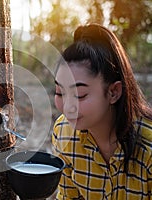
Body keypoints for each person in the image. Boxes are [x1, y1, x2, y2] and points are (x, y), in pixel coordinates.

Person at [52, 23, 152, 199]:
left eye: (80, 95)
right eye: (60, 93)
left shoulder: (148, 147)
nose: (67, 107)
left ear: (114, 92)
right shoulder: (63, 134)